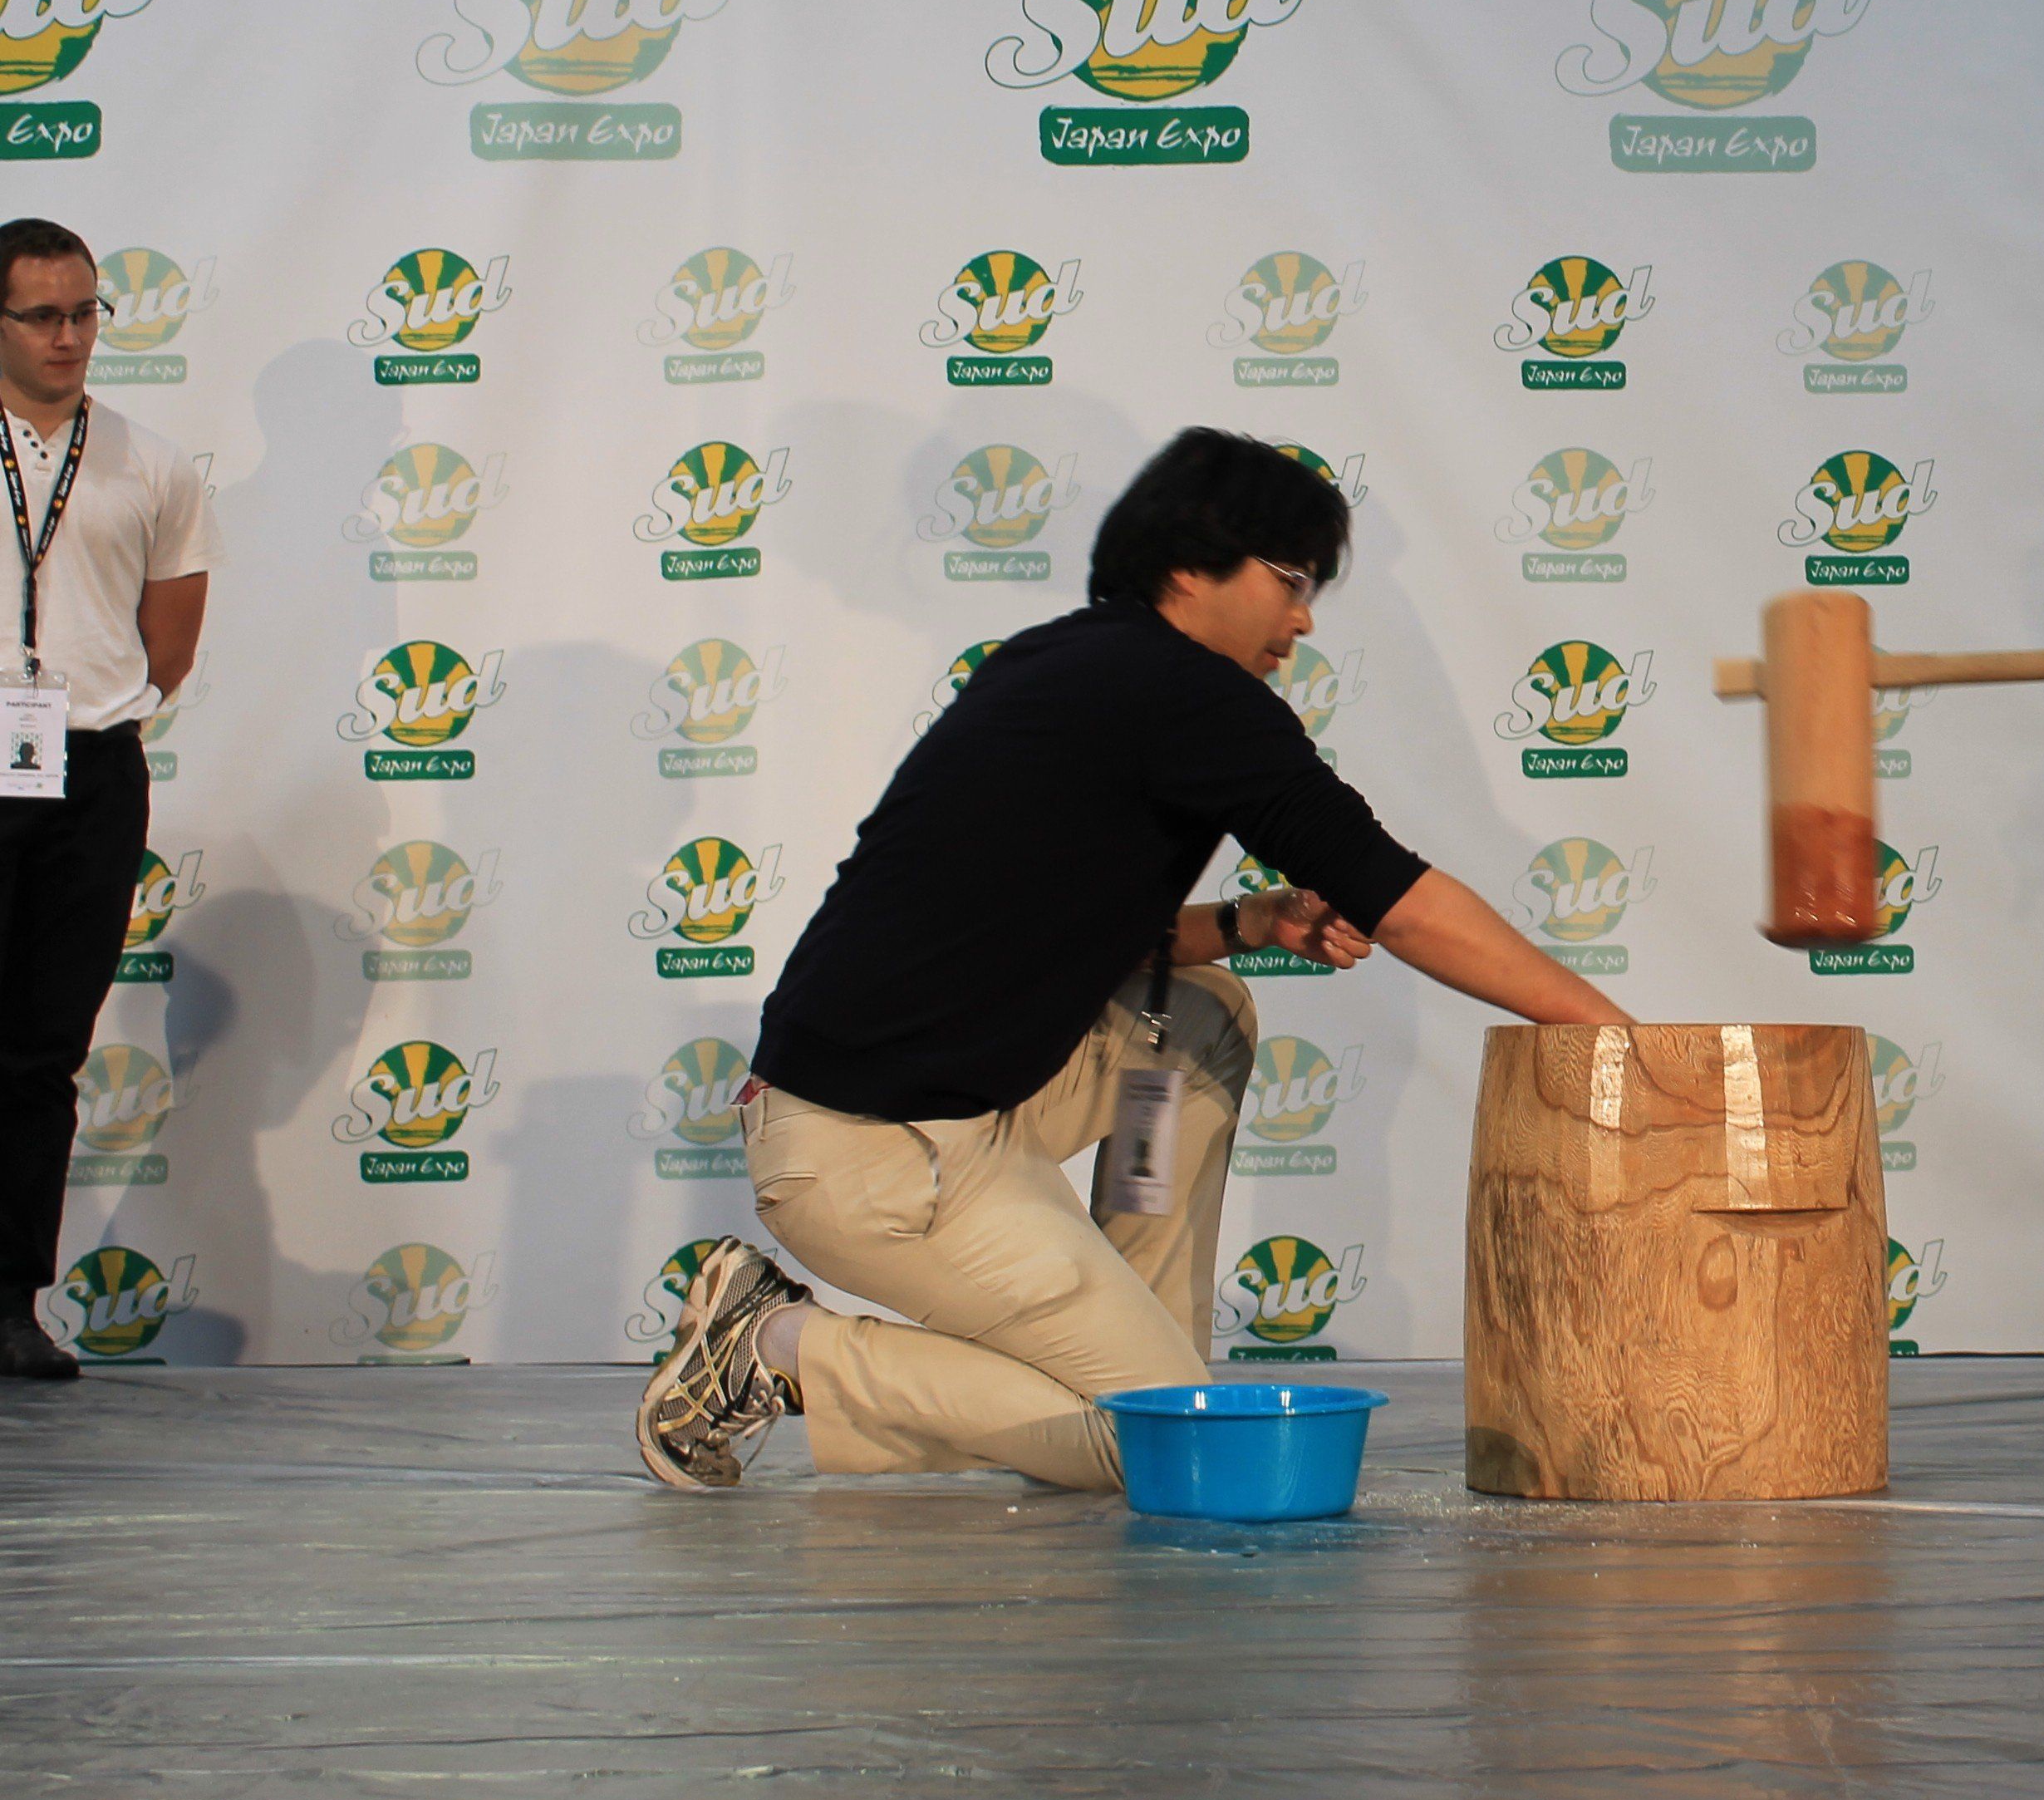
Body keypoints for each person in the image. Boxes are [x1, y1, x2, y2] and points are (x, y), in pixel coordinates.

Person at [638, 427, 1634, 1490]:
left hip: (953, 1109)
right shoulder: (1185, 694)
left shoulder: (1064, 663)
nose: (1302, 622)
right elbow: (1399, 898)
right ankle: (778, 1350)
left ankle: (1144, 1353)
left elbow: (1054, 927)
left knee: (1200, 1012)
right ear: (1188, 565)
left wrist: (1251, 923)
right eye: (1290, 581)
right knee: (1174, 1448)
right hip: (879, 1161)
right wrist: (1619, 1037)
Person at [0, 219, 215, 1383]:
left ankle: (9, 1300)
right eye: (41, 315)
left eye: (85, 313)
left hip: (89, 772)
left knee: (42, 1054)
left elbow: (167, 649)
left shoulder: (151, 462)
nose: (69, 337)